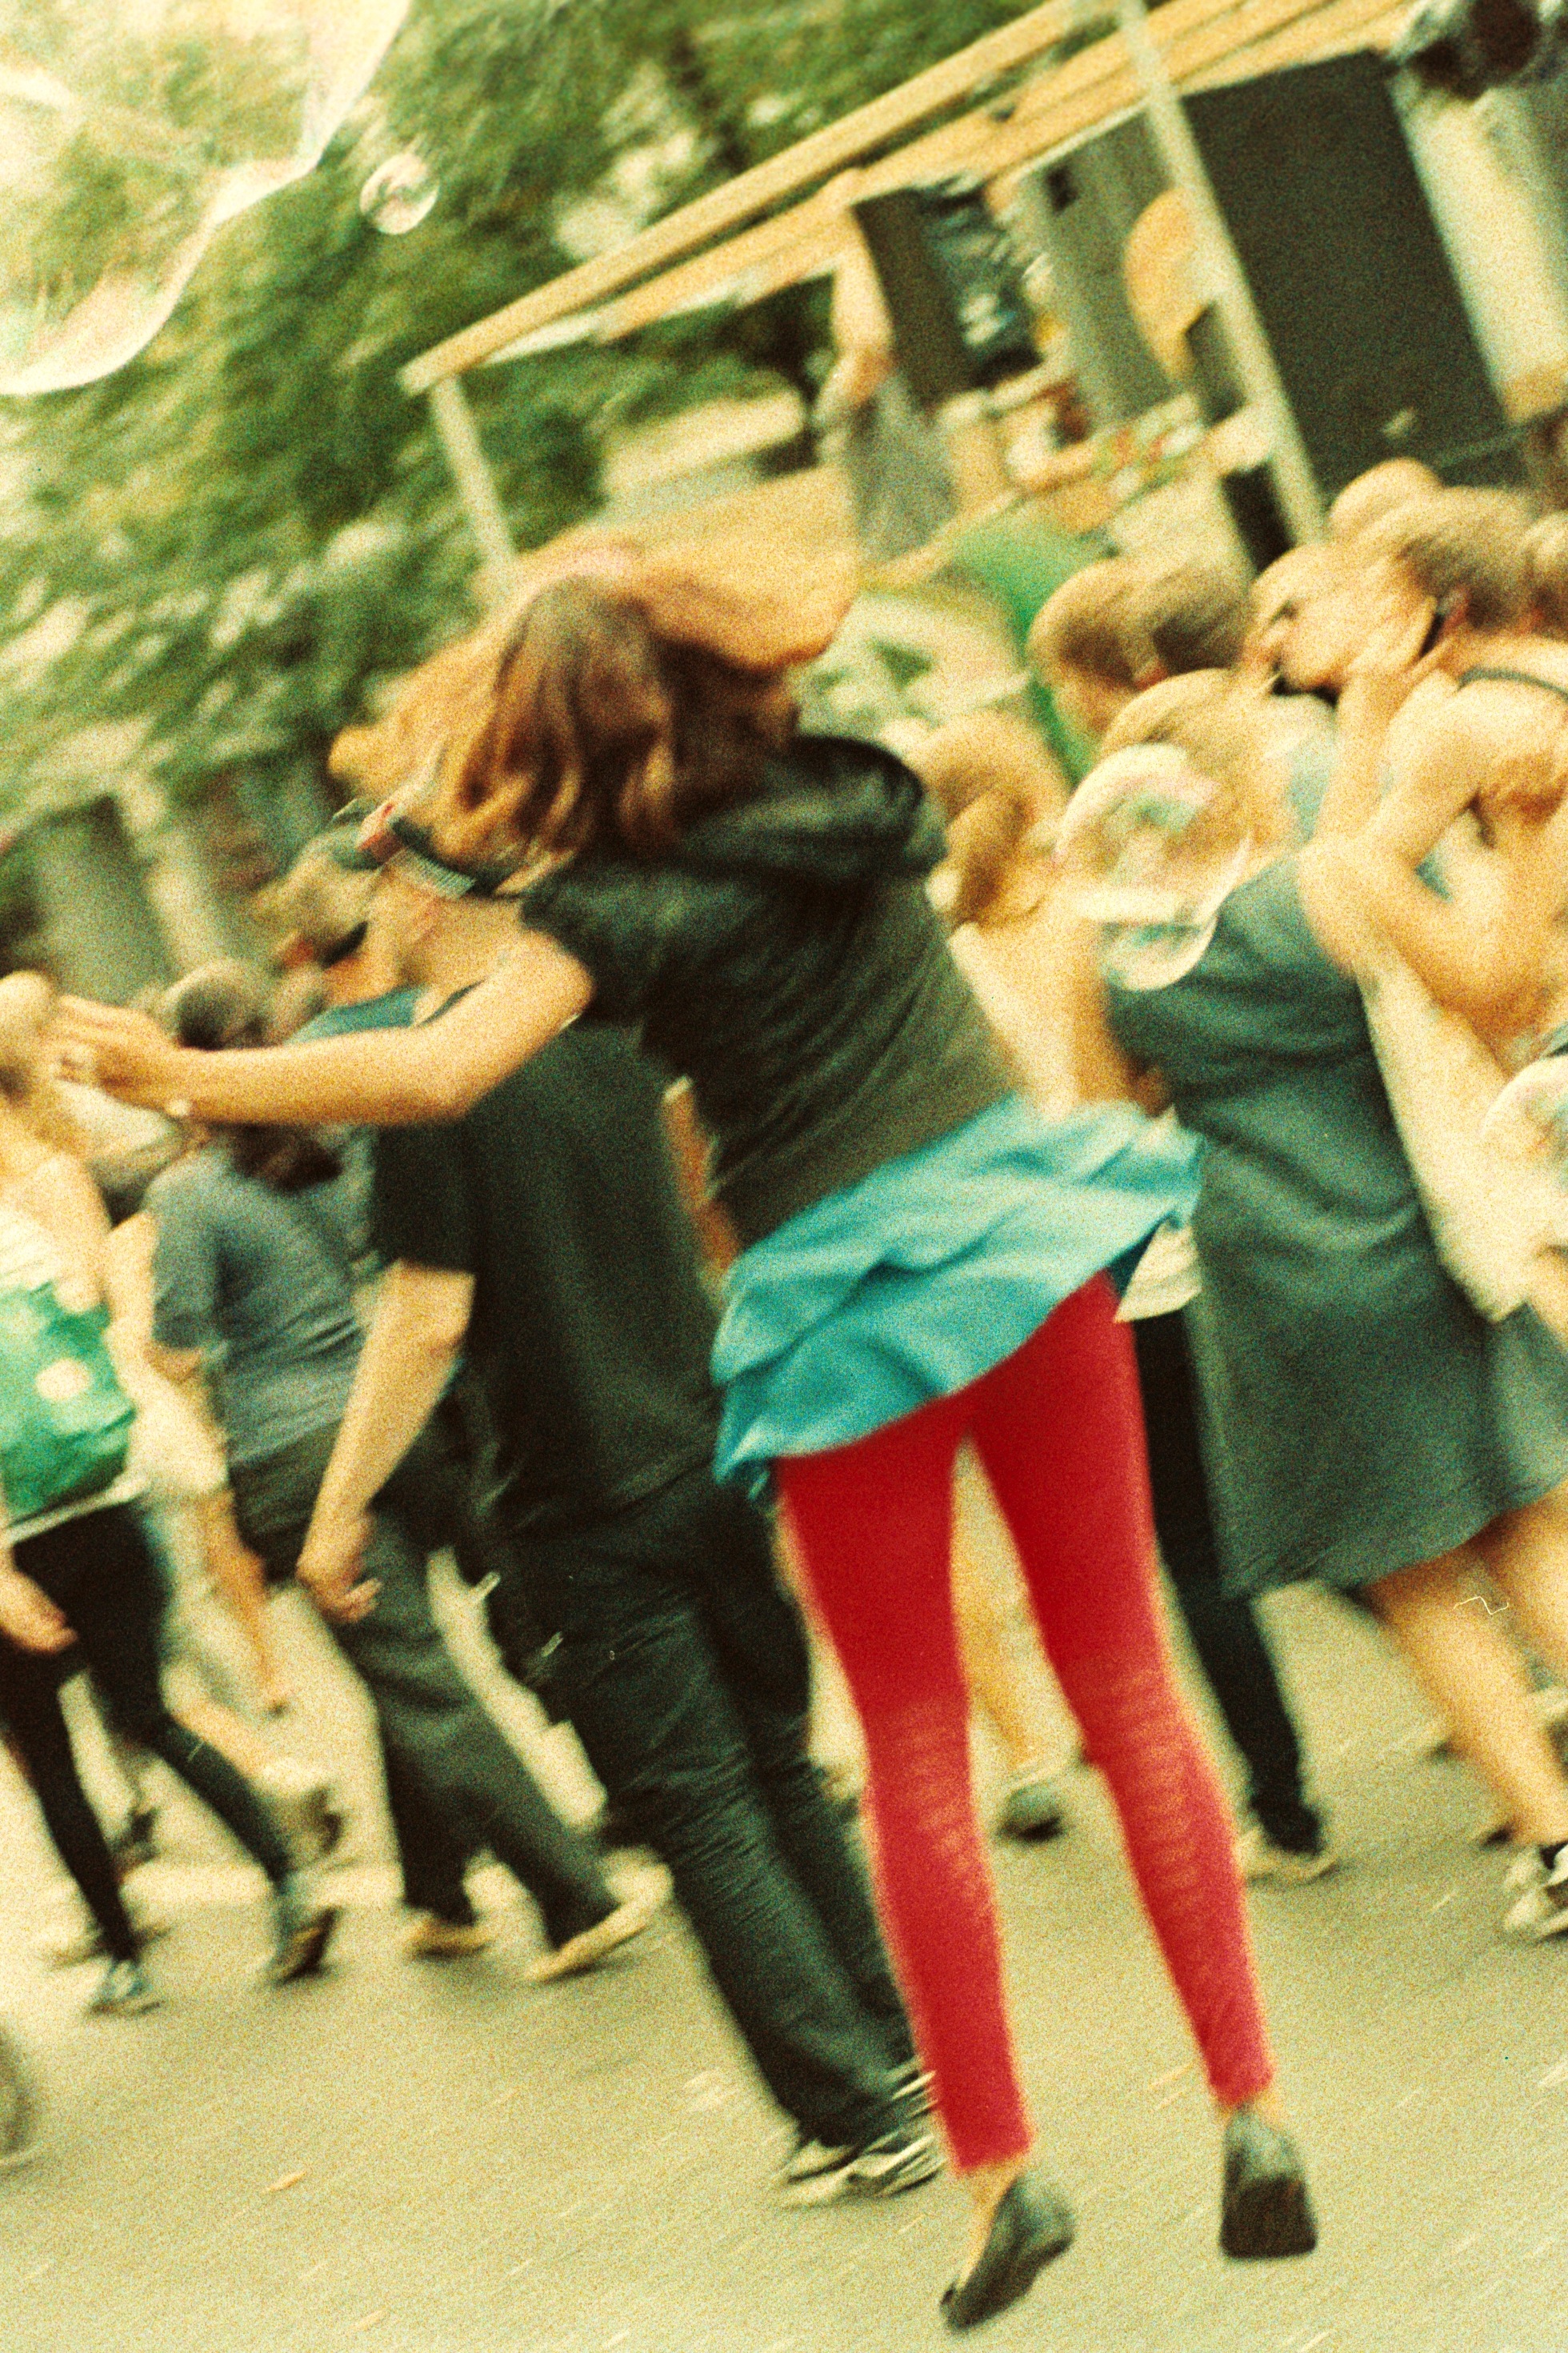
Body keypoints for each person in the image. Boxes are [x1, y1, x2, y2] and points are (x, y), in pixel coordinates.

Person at [62, 561, 1318, 2328]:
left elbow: (426, 1077)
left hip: (841, 1313)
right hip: (1025, 1236)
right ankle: (1250, 2109)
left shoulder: (609, 908)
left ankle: (998, 2175)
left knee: (909, 1742)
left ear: (550, 737)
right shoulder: (854, 790)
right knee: (1124, 1677)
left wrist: (179, 1079)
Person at [291, 819, 940, 2202]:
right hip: (711, 1443)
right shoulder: (611, 1028)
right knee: (779, 1770)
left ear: (421, 896)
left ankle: (850, 2116)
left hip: (579, 1496)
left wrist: (338, 1510)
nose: (374, 906)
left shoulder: (434, 1078)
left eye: (381, 880)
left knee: (700, 1808)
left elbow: (423, 1318)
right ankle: (897, 2051)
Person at [1072, 670, 1568, 1935]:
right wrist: (1525, 839)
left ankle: (1557, 1842)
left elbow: (1105, 1127)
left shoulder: (1112, 958)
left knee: (1413, 1578)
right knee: (1529, 1529)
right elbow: (1504, 990)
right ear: (1243, 785)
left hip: (1266, 1285)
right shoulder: (1334, 885)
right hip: (1416, 1242)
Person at [146, 963, 648, 1978]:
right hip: (400, 1425)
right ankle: (437, 1894)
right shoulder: (332, 1144)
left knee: (418, 1682)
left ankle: (574, 1900)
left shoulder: (186, 1193)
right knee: (404, 1666)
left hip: (294, 1454)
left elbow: (179, 1344)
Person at [917, 696, 1334, 1883]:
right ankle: (1488, 1683)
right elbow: (1151, 1075)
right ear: (1037, 793)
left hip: (1084, 1273)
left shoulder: (946, 961)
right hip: (1195, 1230)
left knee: (1193, 1549)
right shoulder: (1104, 917)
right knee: (1314, 1496)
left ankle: (1286, 1812)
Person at [0, 978, 335, 2014]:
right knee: (148, 1708)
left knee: (49, 1755)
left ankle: (124, 1959)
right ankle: (288, 1877)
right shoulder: (58, 1181)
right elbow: (101, 1313)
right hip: (106, 1485)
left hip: (16, 1527)